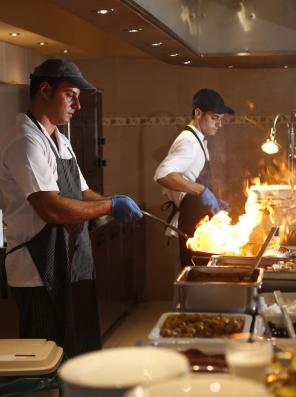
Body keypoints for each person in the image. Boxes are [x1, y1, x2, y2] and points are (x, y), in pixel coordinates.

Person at [0, 59, 143, 358]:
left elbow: (81, 191)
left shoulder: (59, 139)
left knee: (76, 350)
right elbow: (51, 209)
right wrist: (109, 207)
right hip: (37, 271)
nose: (77, 105)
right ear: (45, 90)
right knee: (48, 359)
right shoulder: (25, 141)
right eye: (70, 95)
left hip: (70, 262)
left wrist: (114, 201)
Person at [154, 88, 234, 267]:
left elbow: (191, 178)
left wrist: (211, 199)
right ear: (198, 113)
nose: (219, 124)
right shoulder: (188, 141)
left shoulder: (198, 139)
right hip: (192, 224)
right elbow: (162, 174)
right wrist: (201, 191)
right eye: (214, 118)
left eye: (221, 119)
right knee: (196, 282)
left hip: (198, 221)